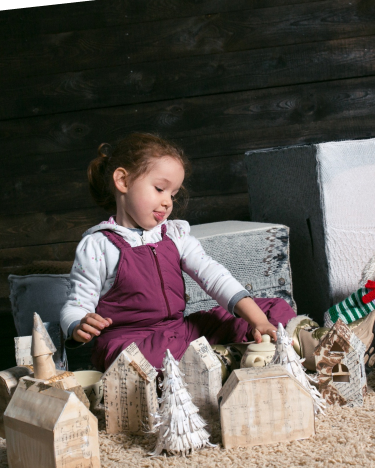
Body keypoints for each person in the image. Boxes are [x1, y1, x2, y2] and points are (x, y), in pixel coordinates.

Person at [60, 133, 294, 370]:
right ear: (123, 181)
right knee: (148, 360)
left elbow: (214, 276)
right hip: (128, 343)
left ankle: (229, 355)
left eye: (172, 194)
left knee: (273, 309)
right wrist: (78, 325)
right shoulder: (99, 245)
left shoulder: (175, 235)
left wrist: (258, 320)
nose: (168, 202)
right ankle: (221, 359)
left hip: (178, 331)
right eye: (160, 189)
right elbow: (75, 305)